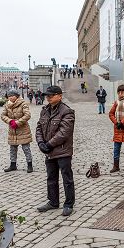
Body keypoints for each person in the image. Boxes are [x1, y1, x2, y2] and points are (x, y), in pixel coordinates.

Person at [35, 86, 76, 216]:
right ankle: (53, 202)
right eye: (47, 95)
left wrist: (49, 144)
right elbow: (39, 127)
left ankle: (69, 204)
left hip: (63, 151)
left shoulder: (67, 111)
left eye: (51, 95)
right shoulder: (45, 110)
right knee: (51, 178)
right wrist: (41, 142)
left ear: (59, 96)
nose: (48, 97)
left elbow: (64, 132)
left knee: (67, 178)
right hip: (49, 151)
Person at [1, 89, 34, 173]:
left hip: (23, 130)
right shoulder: (7, 105)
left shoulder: (23, 104)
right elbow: (3, 115)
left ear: (17, 96)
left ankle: (29, 165)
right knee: (12, 149)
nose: (11, 98)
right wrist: (10, 121)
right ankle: (13, 165)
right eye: (9, 96)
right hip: (12, 130)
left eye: (12, 96)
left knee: (26, 149)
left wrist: (18, 123)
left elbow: (27, 115)